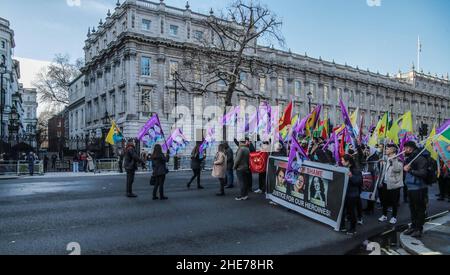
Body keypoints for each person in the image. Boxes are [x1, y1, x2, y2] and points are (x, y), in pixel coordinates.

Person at [403, 141, 429, 238]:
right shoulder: (410, 158)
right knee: (412, 209)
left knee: (419, 209)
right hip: (411, 187)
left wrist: (410, 170)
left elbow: (423, 173)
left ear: (411, 148)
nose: (404, 150)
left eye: (406, 148)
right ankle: (413, 226)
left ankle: (419, 229)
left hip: (419, 188)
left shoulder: (420, 158)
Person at [378, 144, 404, 225]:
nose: (386, 150)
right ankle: (384, 215)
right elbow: (383, 171)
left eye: (388, 149)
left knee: (394, 201)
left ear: (393, 150)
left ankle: (394, 217)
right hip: (385, 183)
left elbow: (397, 169)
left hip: (394, 184)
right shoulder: (385, 158)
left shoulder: (398, 159)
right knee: (384, 200)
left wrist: (394, 160)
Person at [340, 154, 363, 236]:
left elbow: (358, 182)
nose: (341, 162)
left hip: (352, 194)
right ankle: (341, 226)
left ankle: (353, 229)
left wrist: (351, 176)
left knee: (351, 212)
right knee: (342, 211)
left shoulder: (356, 170)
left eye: (343, 160)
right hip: (345, 194)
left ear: (348, 162)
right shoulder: (344, 168)